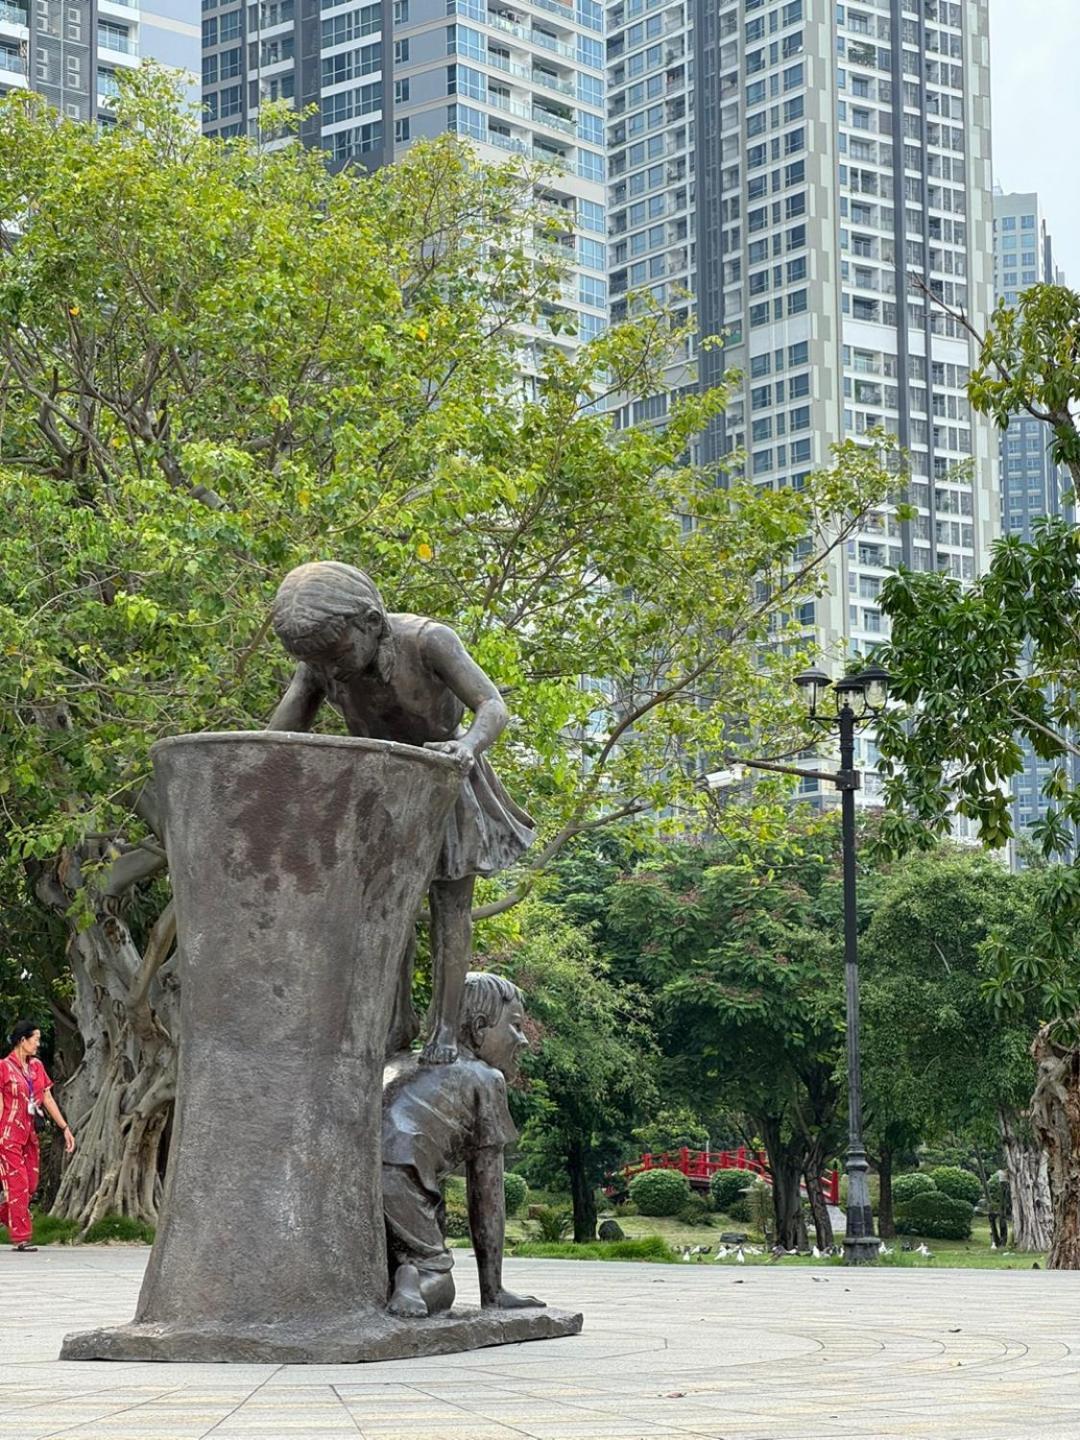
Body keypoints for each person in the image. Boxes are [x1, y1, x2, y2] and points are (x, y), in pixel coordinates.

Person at [268, 562, 535, 1065]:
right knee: (384, 912)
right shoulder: (321, 664)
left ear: (371, 622)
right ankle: (396, 1021)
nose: (331, 670)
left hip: (444, 779)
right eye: (314, 660)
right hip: (379, 793)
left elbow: (492, 706)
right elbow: (283, 735)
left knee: (449, 910)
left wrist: (470, 748)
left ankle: (444, 1031)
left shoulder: (429, 641)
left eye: (336, 653)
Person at [381, 971, 543, 1317]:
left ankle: (402, 1274)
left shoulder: (399, 1061)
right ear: (480, 1026)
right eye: (514, 1027)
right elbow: (487, 1195)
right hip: (399, 1175)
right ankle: (417, 1277)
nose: (524, 1040)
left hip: (354, 1170)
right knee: (439, 1283)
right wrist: (493, 1291)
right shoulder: (485, 1079)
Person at [0, 1022, 75, 1252]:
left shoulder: (36, 1067)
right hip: (9, 1134)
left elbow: (48, 1098)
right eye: (35, 1039)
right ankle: (21, 1238)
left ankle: (6, 1213)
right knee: (18, 1185)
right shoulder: (3, 1067)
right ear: (23, 1040)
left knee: (30, 1185)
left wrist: (64, 1127)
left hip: (29, 1135)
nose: (38, 1044)